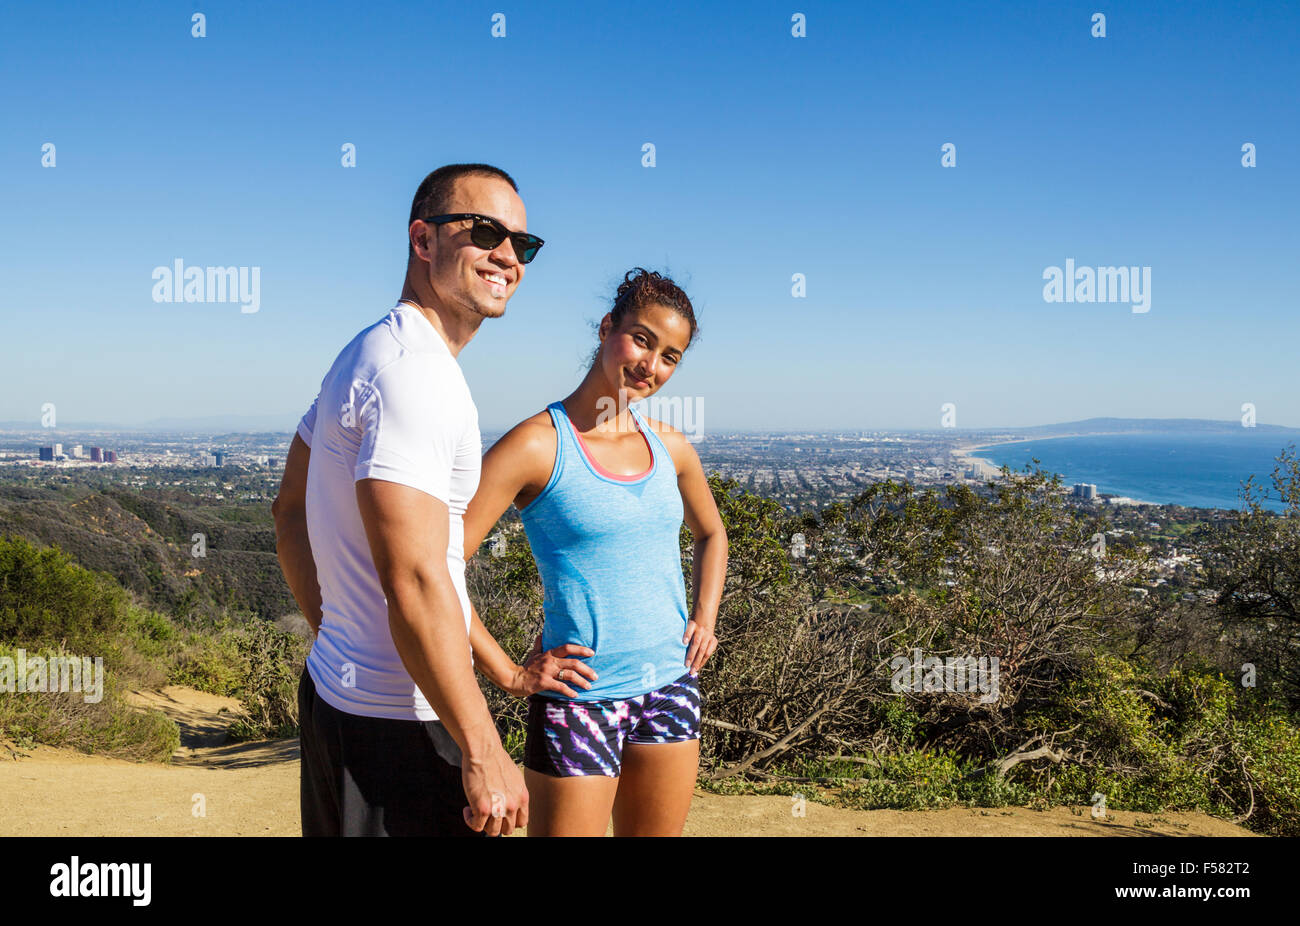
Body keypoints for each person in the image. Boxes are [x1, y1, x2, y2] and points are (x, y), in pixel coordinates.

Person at [272, 163, 545, 836]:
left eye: (523, 244)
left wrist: (340, 641)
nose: (506, 255)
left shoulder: (367, 352)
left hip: (340, 702)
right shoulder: (416, 377)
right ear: (423, 240)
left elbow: (288, 512)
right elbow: (417, 580)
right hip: (401, 730)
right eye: (484, 232)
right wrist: (483, 749)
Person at [461, 268, 728, 836]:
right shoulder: (536, 445)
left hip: (671, 686)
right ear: (608, 327)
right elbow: (437, 566)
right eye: (642, 339)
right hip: (581, 700)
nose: (651, 366)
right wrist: (507, 674)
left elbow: (713, 534)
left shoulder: (670, 446)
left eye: (671, 357)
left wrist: (705, 617)